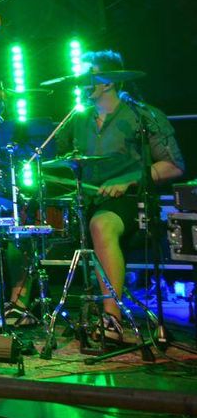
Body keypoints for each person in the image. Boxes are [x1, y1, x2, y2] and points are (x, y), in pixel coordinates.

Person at [56, 50, 185, 340]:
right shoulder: (78, 120)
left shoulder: (143, 115)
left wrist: (128, 180)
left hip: (131, 202)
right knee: (27, 224)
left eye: (88, 76)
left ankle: (112, 318)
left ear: (108, 81)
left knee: (101, 225)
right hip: (86, 199)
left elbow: (174, 164)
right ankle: (17, 308)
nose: (81, 83)